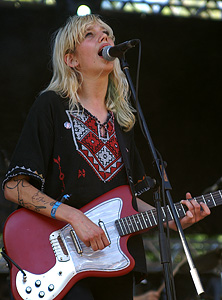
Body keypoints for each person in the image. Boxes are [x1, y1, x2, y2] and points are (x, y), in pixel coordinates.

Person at [3, 14, 210, 300]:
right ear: (71, 59)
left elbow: (130, 198)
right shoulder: (50, 105)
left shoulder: (123, 122)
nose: (105, 38)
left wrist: (170, 220)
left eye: (107, 33)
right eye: (90, 34)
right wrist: (74, 217)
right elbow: (14, 187)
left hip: (115, 262)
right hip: (60, 260)